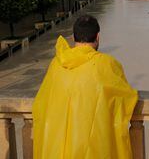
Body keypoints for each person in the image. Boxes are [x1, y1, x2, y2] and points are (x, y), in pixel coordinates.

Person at [33, 15, 138, 159]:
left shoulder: (56, 64)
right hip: (93, 146)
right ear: (98, 36)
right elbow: (125, 97)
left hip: (58, 148)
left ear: (73, 37)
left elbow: (41, 103)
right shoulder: (106, 64)